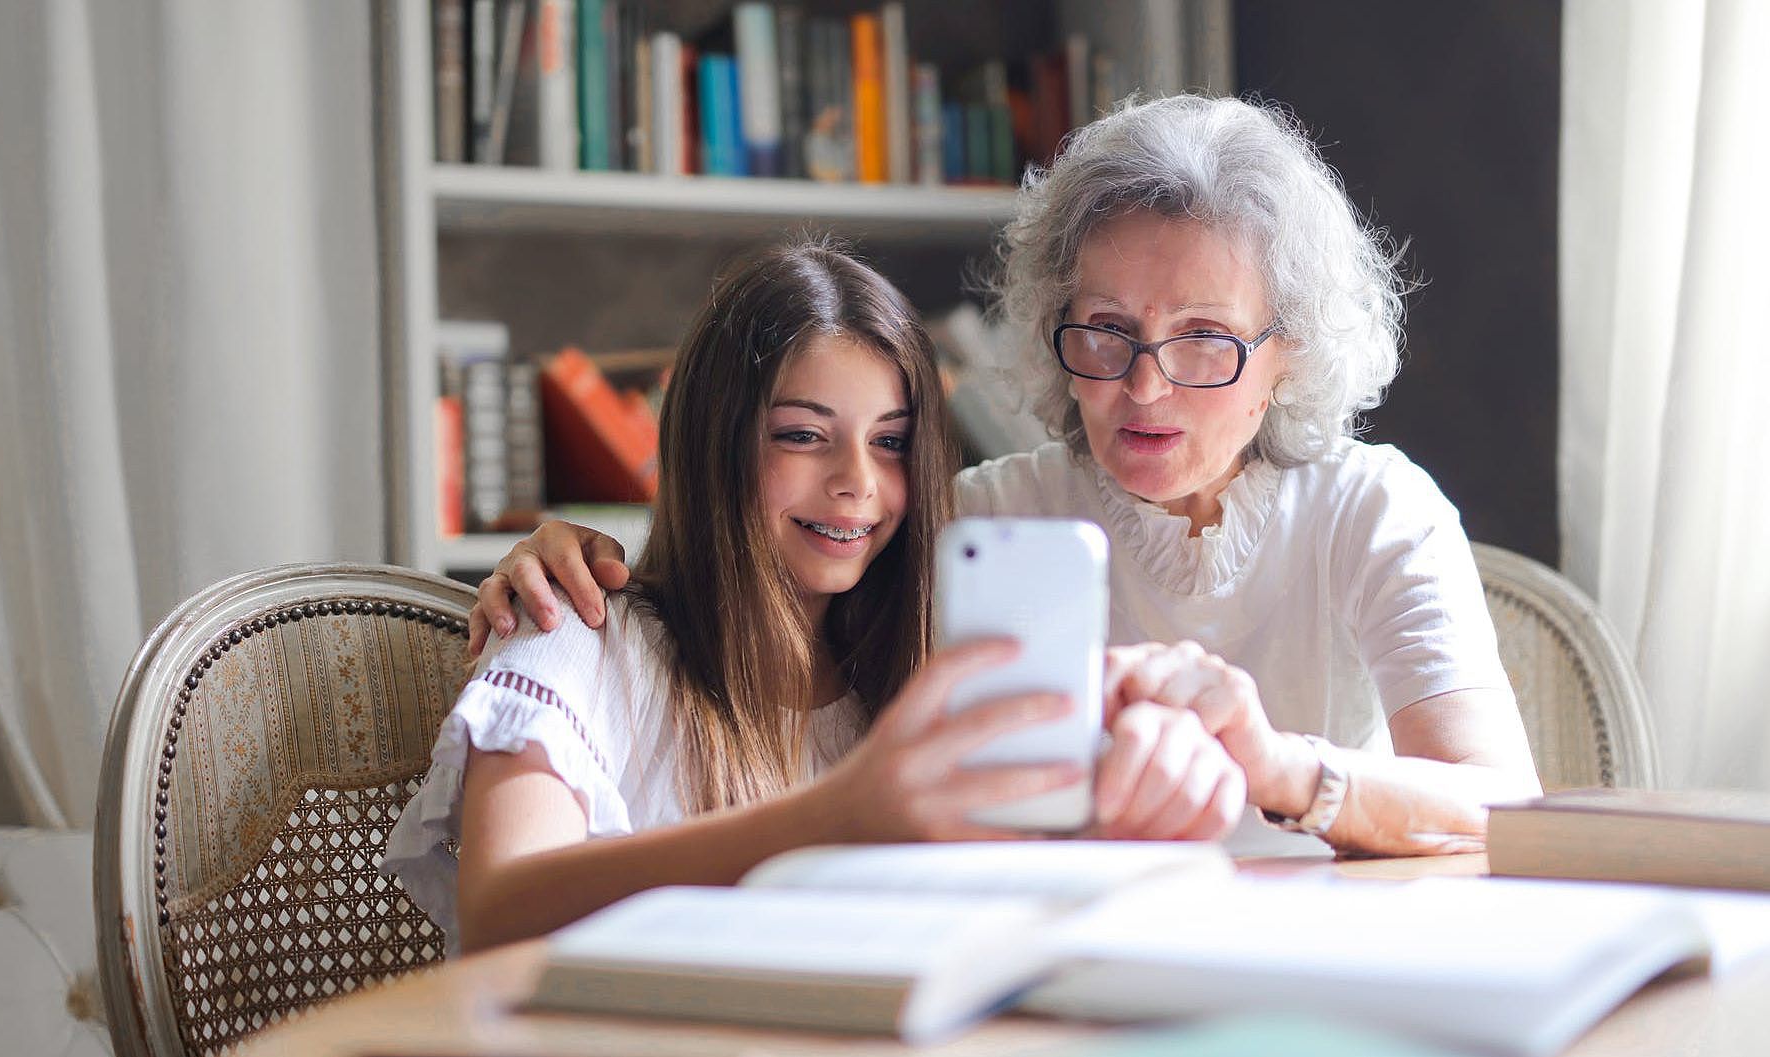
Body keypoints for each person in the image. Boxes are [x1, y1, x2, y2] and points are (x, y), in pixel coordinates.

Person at [468, 96, 1545, 859]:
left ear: (1289, 353)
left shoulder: (1374, 507)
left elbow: (1501, 806)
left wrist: (1277, 767)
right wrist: (570, 557)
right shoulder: (975, 522)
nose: (1144, 388)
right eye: (1106, 332)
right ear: (1049, 325)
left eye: (1205, 340)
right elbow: (759, 601)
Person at [382, 243, 1246, 955]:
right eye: (802, 436)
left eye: (892, 443)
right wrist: (835, 817)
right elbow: (499, 909)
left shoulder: (913, 673)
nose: (856, 486)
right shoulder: (577, 631)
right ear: (714, 443)